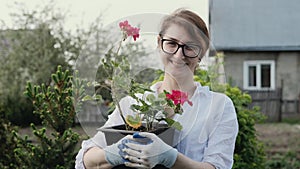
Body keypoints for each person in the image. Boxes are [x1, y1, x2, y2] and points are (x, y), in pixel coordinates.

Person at [75, 8, 238, 169]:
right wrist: (112, 154)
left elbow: (218, 166)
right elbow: (85, 160)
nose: (178, 55)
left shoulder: (218, 106)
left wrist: (172, 158)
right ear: (160, 43)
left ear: (201, 54)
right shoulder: (132, 104)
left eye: (190, 47)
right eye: (172, 43)